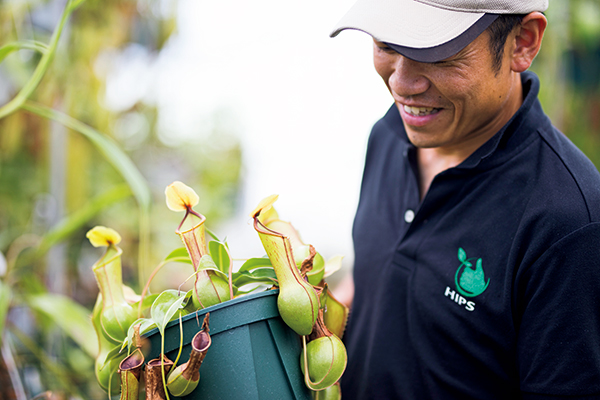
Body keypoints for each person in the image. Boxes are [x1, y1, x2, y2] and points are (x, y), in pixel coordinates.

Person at [329, 1, 600, 398]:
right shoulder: (387, 135)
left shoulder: (568, 223)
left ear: (522, 42)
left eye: (435, 53)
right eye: (387, 44)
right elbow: (387, 272)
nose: (401, 84)